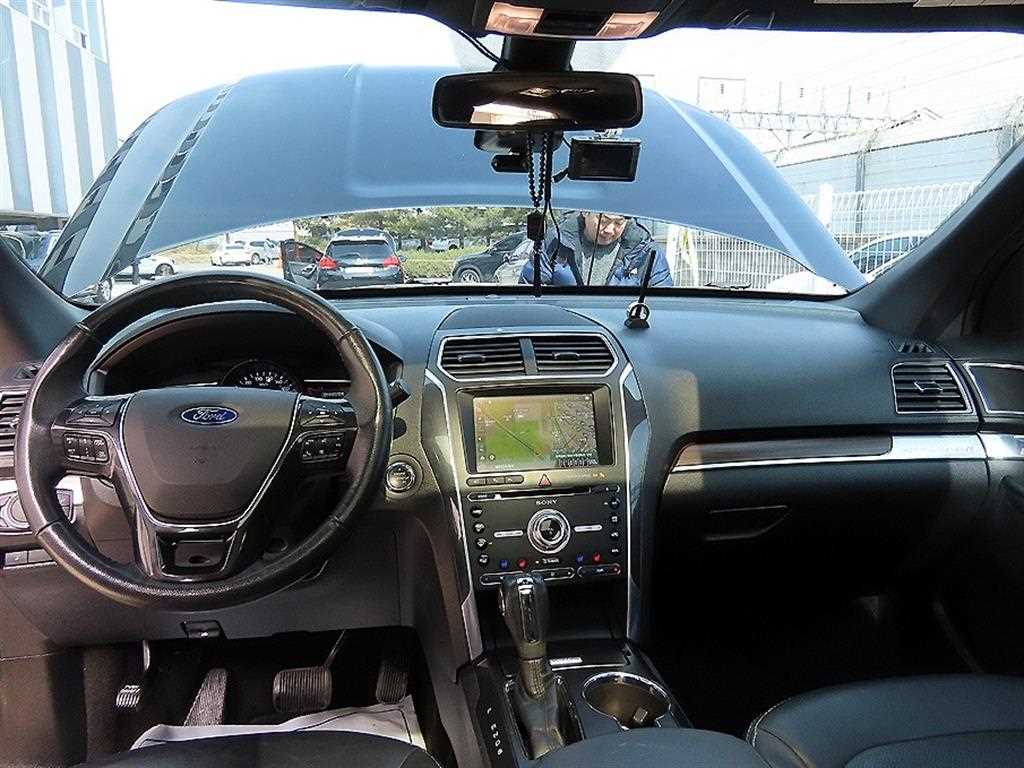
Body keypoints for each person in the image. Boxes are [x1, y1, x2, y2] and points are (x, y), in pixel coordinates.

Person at [519, 211, 673, 287]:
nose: (609, 230)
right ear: (584, 212)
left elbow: (662, 306)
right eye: (603, 220)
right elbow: (529, 295)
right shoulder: (554, 242)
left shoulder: (646, 252)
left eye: (618, 223)